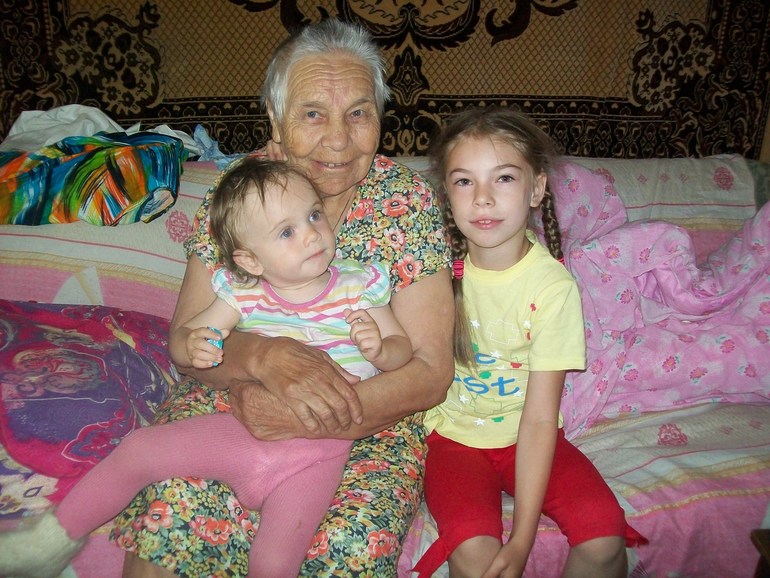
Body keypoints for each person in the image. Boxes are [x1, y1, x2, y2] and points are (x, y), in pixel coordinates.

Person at [113, 18, 455, 578]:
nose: (338, 139)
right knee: (174, 503)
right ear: (275, 118)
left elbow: (431, 371)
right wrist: (262, 357)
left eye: (359, 113)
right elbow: (186, 342)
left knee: (350, 542)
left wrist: (316, 416)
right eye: (313, 113)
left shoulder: (406, 200)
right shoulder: (238, 191)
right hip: (232, 399)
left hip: (368, 422)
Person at [0, 158, 415, 578]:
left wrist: (380, 349)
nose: (311, 234)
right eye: (286, 232)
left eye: (313, 215)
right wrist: (195, 345)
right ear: (251, 261)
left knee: (274, 563)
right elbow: (188, 339)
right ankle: (49, 541)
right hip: (243, 435)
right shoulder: (245, 293)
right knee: (140, 448)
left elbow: (402, 351)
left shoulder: (356, 285)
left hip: (319, 455)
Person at [412, 106, 647, 578]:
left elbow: (540, 419)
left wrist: (522, 539)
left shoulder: (552, 287)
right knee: (476, 558)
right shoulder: (432, 272)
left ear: (536, 189)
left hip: (531, 434)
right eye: (464, 181)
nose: (482, 198)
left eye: (503, 178)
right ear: (447, 196)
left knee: (603, 536)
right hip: (454, 440)